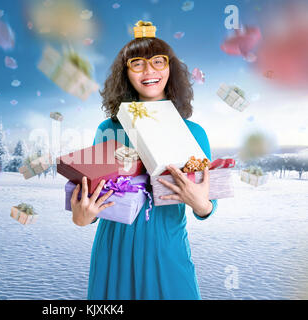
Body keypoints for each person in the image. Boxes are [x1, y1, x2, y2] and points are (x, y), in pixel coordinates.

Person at [70, 21, 218, 300]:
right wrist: (82, 216)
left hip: (168, 249)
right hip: (115, 249)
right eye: (137, 63)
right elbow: (90, 200)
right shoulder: (108, 130)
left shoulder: (194, 133)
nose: (149, 71)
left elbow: (207, 206)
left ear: (170, 68)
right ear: (126, 73)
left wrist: (200, 202)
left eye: (158, 62)